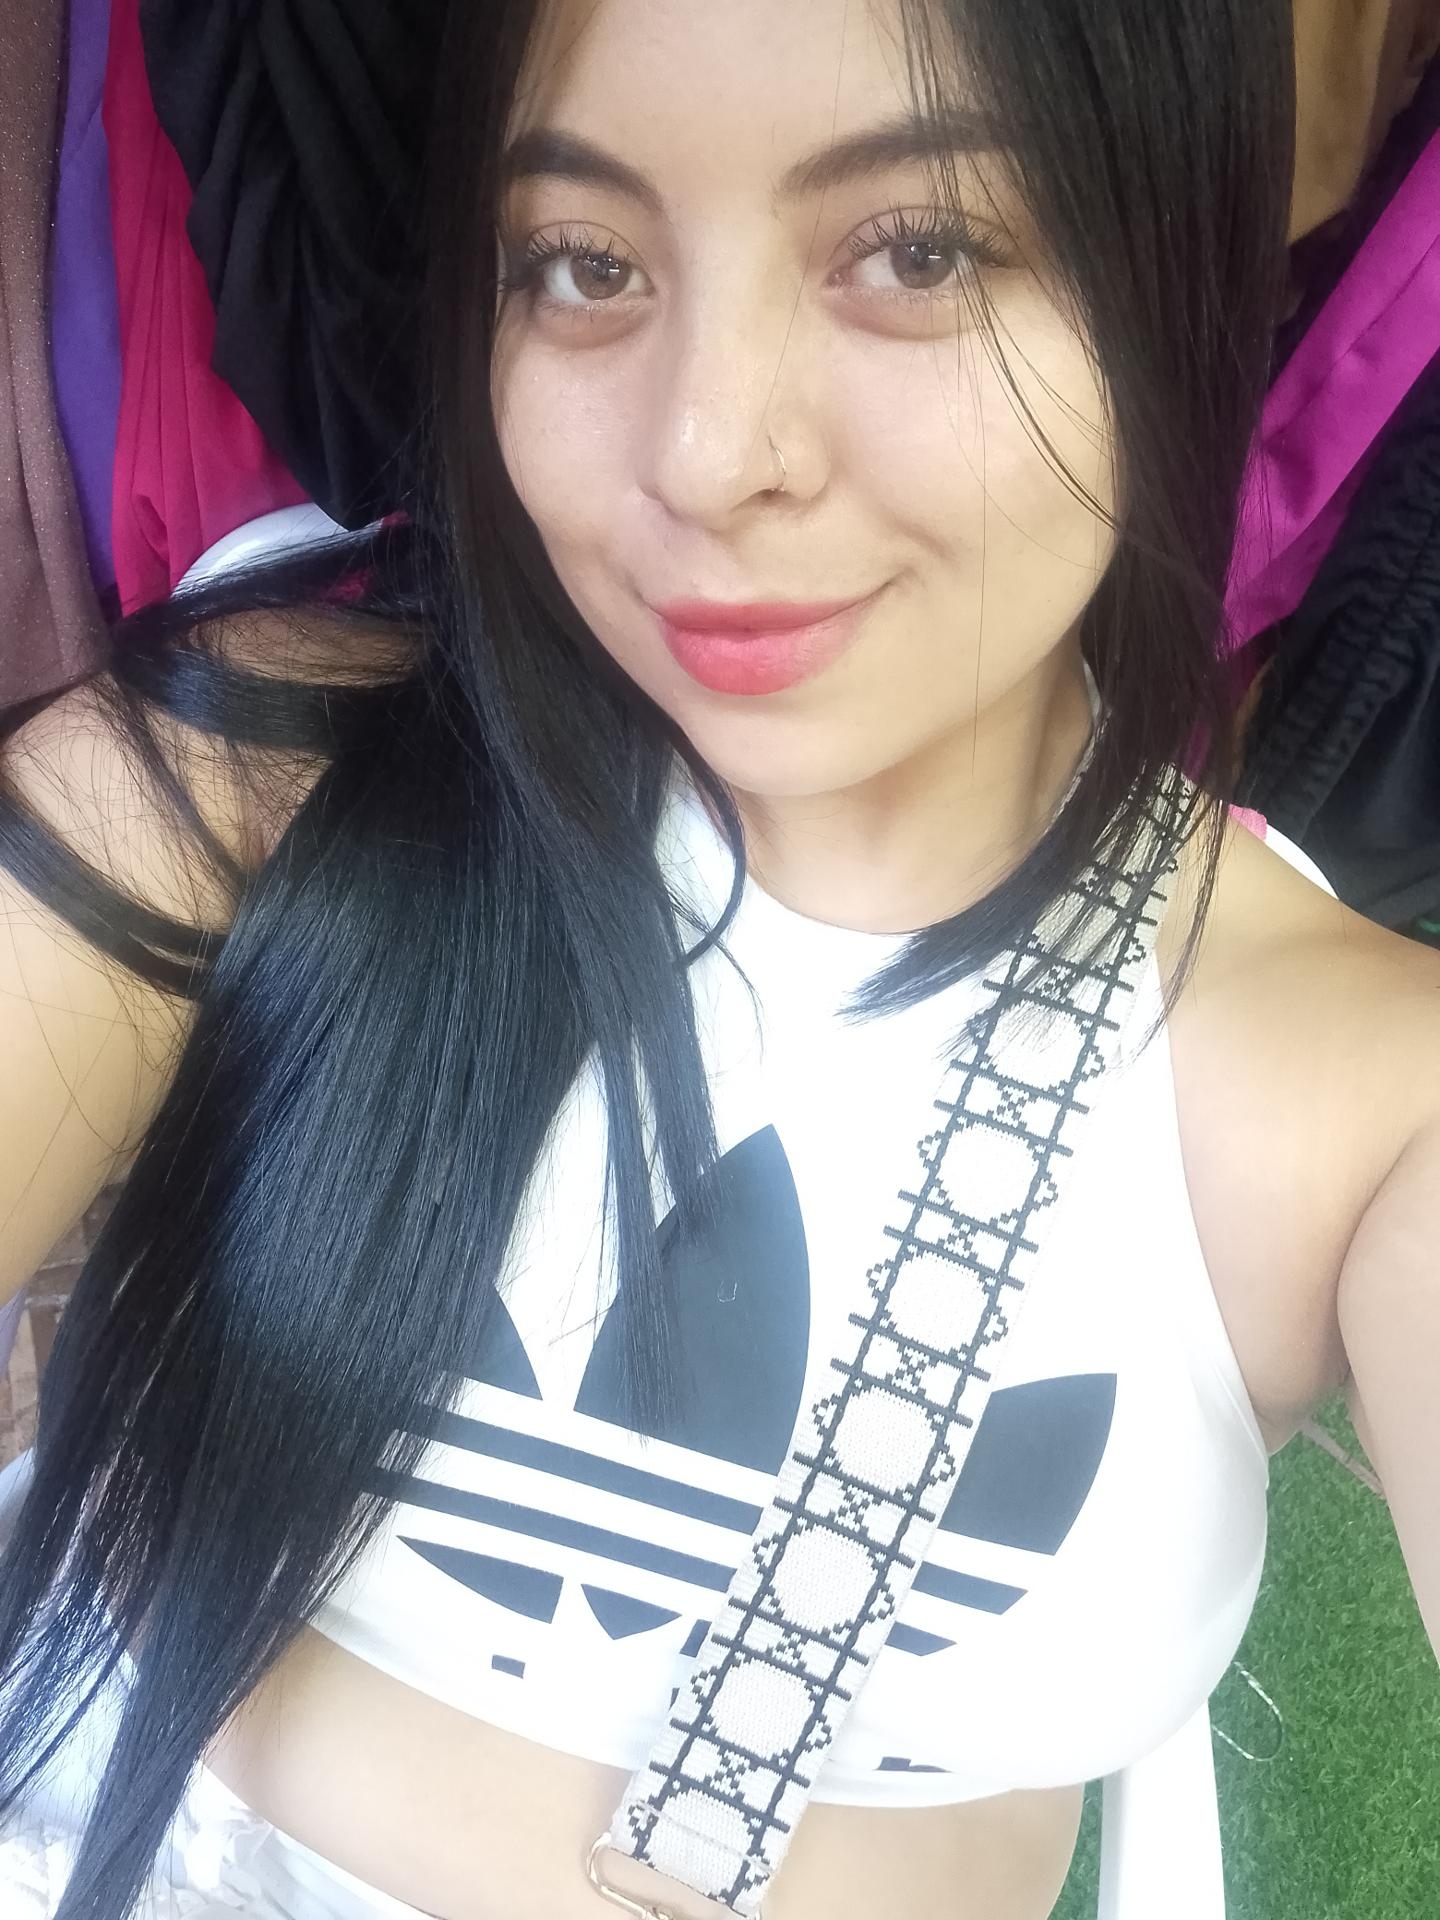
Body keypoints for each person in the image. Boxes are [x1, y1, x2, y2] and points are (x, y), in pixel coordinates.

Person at [0, 3, 1437, 1917]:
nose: (703, 456)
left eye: (916, 251)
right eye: (584, 265)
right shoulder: (248, 793)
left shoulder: (1352, 1095)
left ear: (1164, 267)